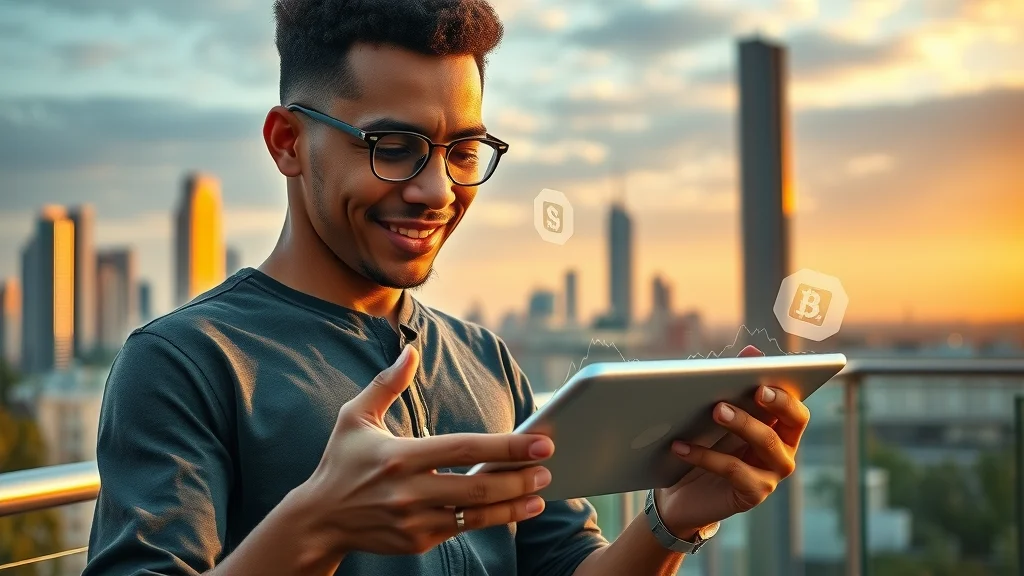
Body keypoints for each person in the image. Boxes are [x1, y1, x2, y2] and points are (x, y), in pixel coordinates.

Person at [83, 1, 812, 574]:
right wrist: (316, 525)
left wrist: (672, 519)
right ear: (288, 144)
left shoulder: (486, 361)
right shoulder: (184, 362)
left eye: (464, 150)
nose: (437, 190)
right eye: (393, 148)